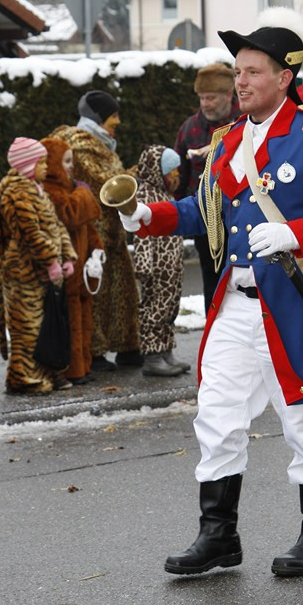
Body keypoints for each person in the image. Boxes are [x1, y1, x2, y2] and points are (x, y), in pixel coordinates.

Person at [119, 7, 303, 578]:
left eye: (252, 71)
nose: (239, 81)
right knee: (216, 415)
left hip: (293, 306)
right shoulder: (228, 140)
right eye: (237, 70)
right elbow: (202, 211)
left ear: (284, 77)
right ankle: (219, 537)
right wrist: (146, 215)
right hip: (234, 305)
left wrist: (295, 233)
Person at [51, 91, 141, 373]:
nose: (118, 121)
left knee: (120, 290)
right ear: (99, 118)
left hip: (111, 232)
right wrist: (135, 173)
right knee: (97, 292)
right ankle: (96, 352)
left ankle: (126, 346)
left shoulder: (101, 143)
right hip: (91, 233)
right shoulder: (79, 146)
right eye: (113, 116)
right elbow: (104, 183)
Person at [0, 137, 76, 395]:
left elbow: (55, 225)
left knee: (45, 325)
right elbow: (30, 233)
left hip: (42, 272)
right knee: (26, 327)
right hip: (23, 272)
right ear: (27, 166)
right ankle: (22, 376)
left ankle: (46, 370)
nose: (46, 167)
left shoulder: (37, 189)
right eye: (40, 162)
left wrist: (67, 255)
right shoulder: (16, 193)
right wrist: (50, 259)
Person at [174, 63, 240, 313]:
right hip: (205, 220)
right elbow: (179, 176)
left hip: (243, 216)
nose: (205, 104)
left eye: (210, 97)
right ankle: (214, 329)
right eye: (202, 98)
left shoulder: (247, 120)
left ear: (227, 94)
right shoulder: (189, 128)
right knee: (211, 279)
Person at [40, 137, 105, 386]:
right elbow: (71, 213)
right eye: (65, 161)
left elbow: (88, 225)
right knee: (71, 322)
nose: (70, 166)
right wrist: (84, 193)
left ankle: (83, 365)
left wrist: (96, 251)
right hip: (66, 271)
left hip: (82, 269)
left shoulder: (70, 187)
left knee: (85, 320)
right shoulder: (50, 190)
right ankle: (73, 369)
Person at [133, 145, 189, 378]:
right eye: (171, 172)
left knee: (169, 308)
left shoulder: (165, 193)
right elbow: (141, 233)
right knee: (154, 309)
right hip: (156, 268)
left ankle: (165, 349)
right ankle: (152, 356)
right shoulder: (144, 195)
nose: (176, 176)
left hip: (170, 267)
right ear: (158, 172)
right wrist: (144, 265)